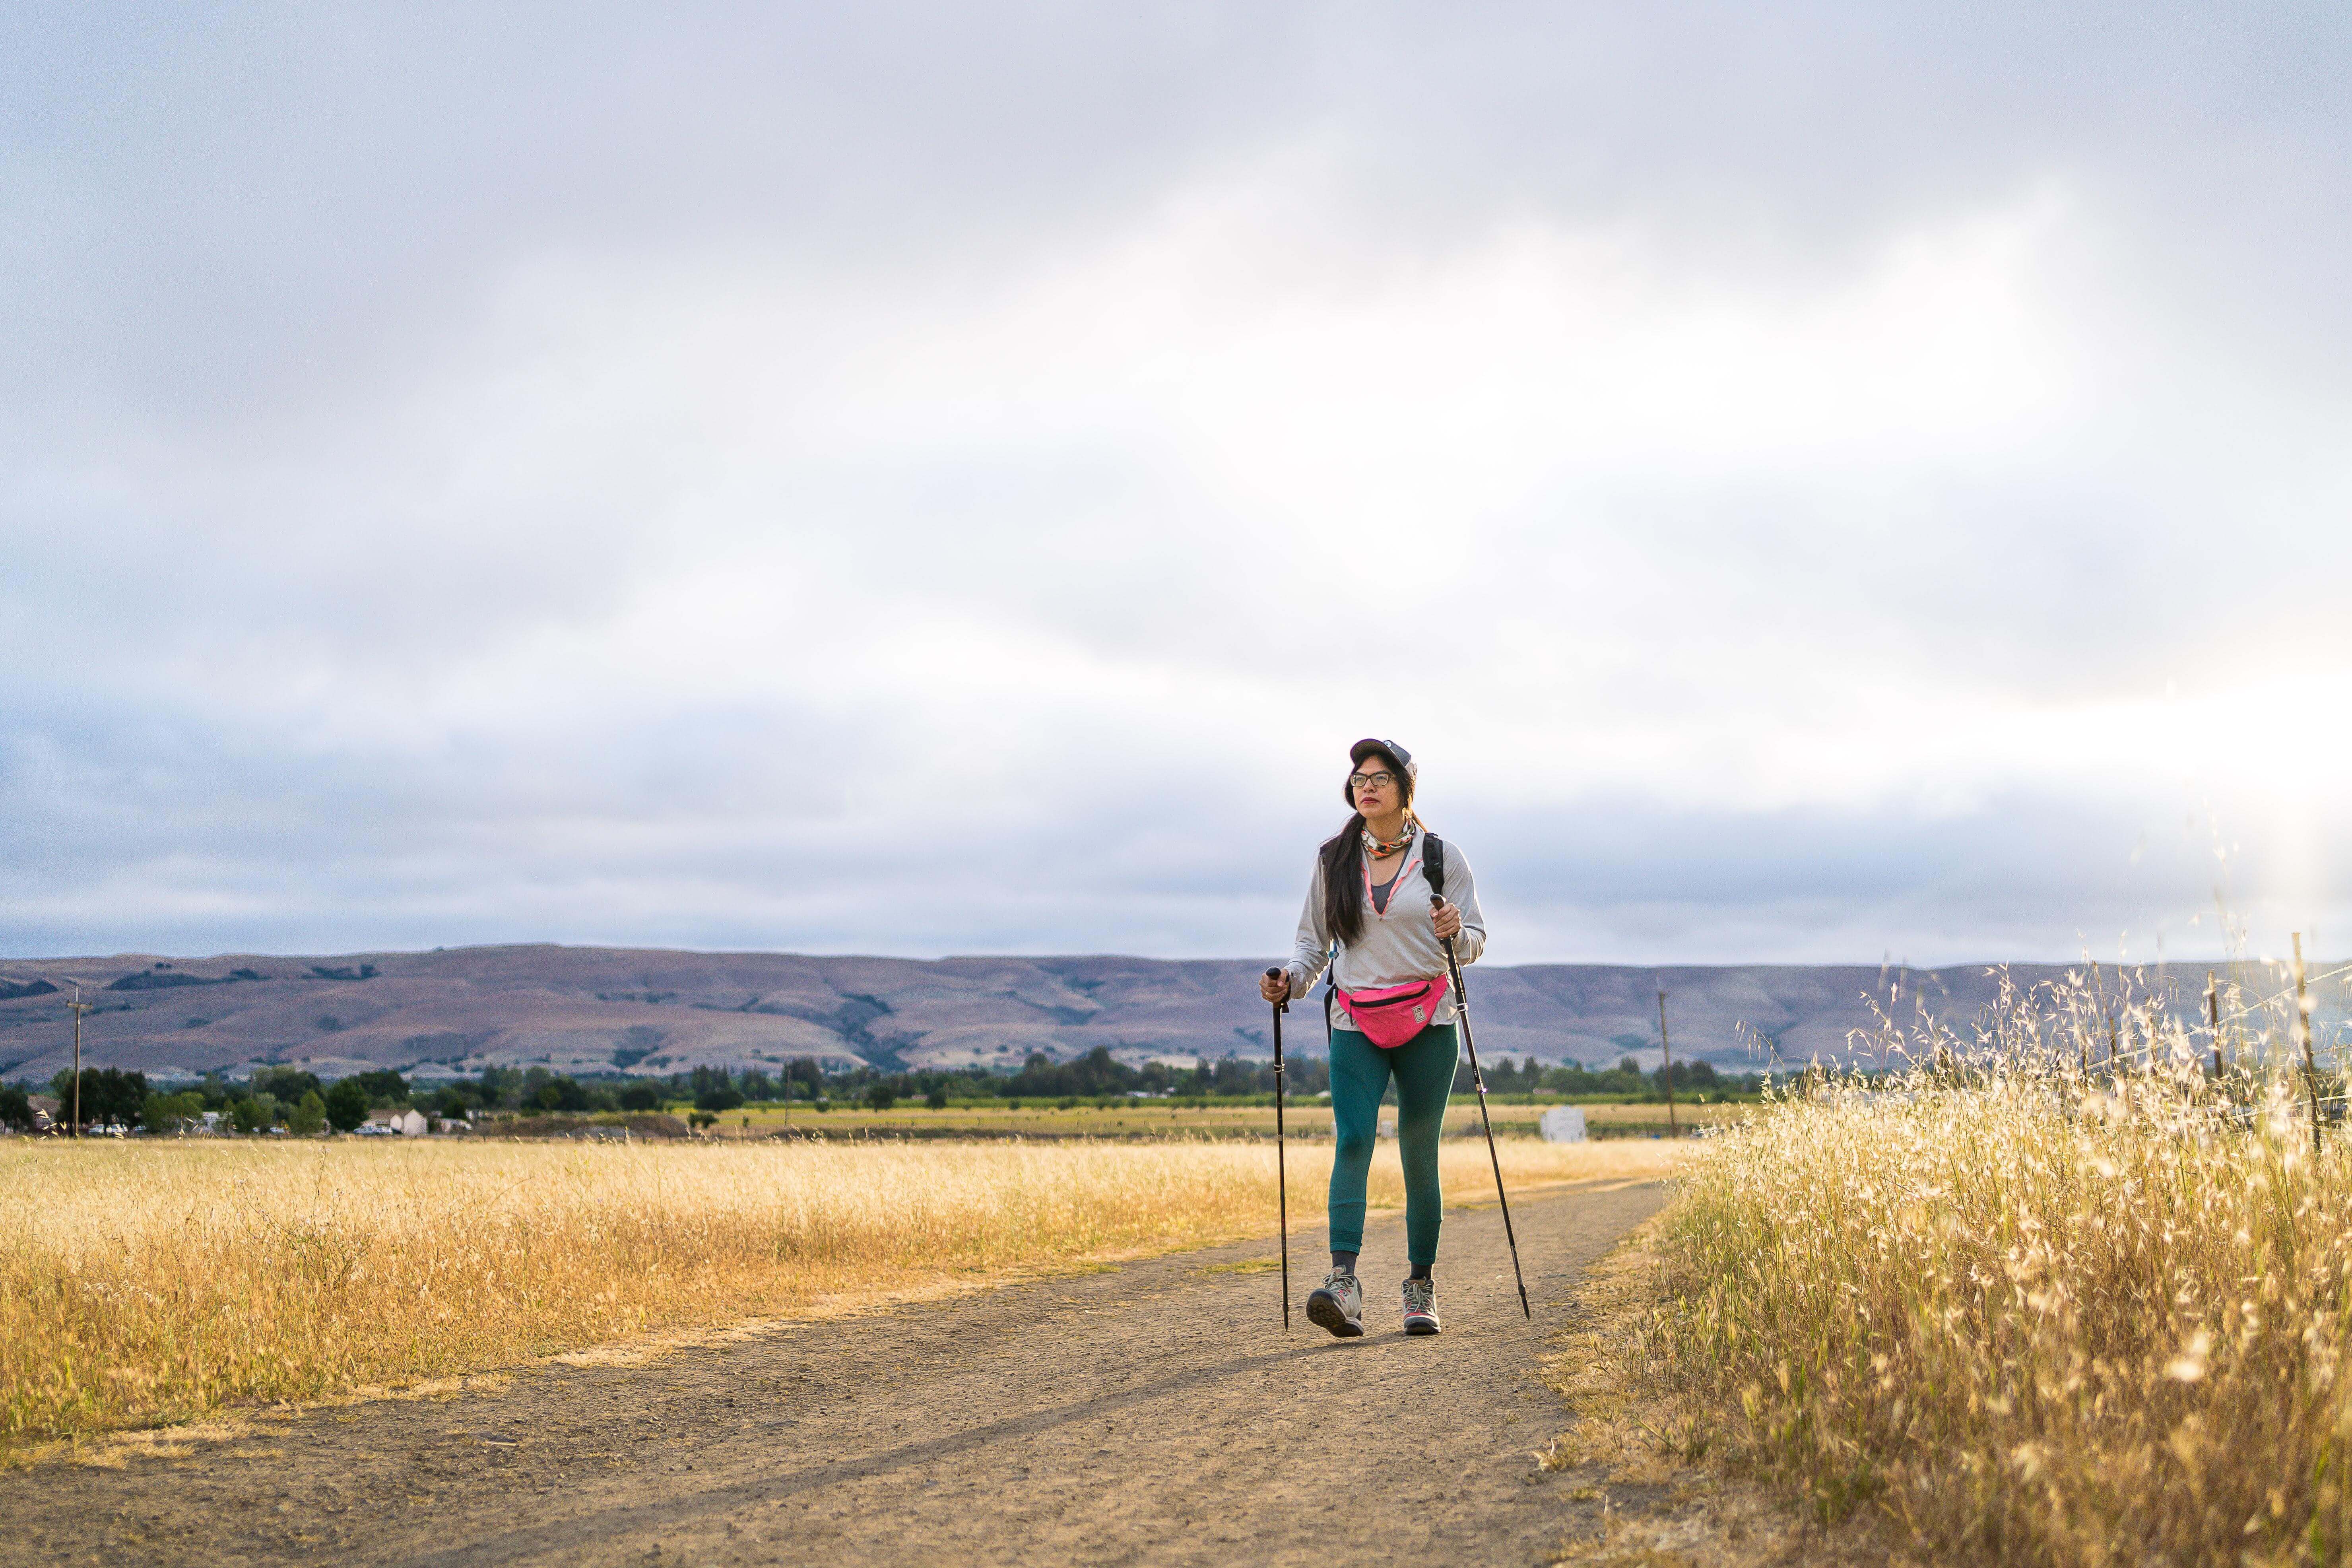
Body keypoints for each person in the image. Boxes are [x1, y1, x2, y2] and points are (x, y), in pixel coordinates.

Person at [1261, 738, 1485, 1337]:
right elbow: (1313, 944)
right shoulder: (1334, 857)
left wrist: (1456, 931)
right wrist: (1291, 984)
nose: (1367, 786)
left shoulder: (1442, 858)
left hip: (1428, 1020)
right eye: (1360, 777)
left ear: (1406, 790)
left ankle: (1420, 1287)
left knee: (1418, 1150)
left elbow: (1474, 943)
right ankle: (1343, 1284)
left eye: (1381, 777)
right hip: (1354, 1018)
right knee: (1354, 1139)